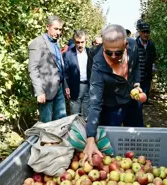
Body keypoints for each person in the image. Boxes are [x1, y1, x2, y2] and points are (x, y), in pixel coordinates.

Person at [83, 24, 144, 164]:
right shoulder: (98, 63)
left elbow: (136, 67)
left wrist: (136, 83)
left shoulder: (134, 47)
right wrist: (90, 137)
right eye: (109, 52)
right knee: (110, 148)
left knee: (137, 140)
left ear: (126, 45)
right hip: (111, 106)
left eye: (118, 52)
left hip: (132, 103)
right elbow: (95, 101)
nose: (114, 56)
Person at [28, 15, 69, 123]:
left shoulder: (56, 43)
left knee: (61, 122)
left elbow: (59, 66)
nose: (58, 32)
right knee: (46, 124)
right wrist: (39, 92)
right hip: (45, 91)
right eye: (56, 29)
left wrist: (65, 85)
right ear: (47, 27)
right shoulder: (37, 43)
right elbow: (33, 69)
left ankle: (58, 140)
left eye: (60, 29)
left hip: (59, 88)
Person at [63, 30, 91, 117]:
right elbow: (65, 72)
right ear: (74, 41)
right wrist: (66, 86)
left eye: (82, 42)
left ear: (86, 41)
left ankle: (86, 130)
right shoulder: (68, 54)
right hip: (74, 87)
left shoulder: (91, 53)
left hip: (89, 87)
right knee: (74, 116)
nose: (80, 45)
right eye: (78, 42)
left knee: (87, 115)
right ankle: (75, 130)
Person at [136, 22, 156, 104]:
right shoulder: (135, 44)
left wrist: (153, 66)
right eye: (143, 32)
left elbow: (154, 56)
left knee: (146, 87)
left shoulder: (151, 44)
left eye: (147, 32)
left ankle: (145, 100)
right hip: (138, 71)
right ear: (139, 32)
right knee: (137, 91)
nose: (145, 34)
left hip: (148, 71)